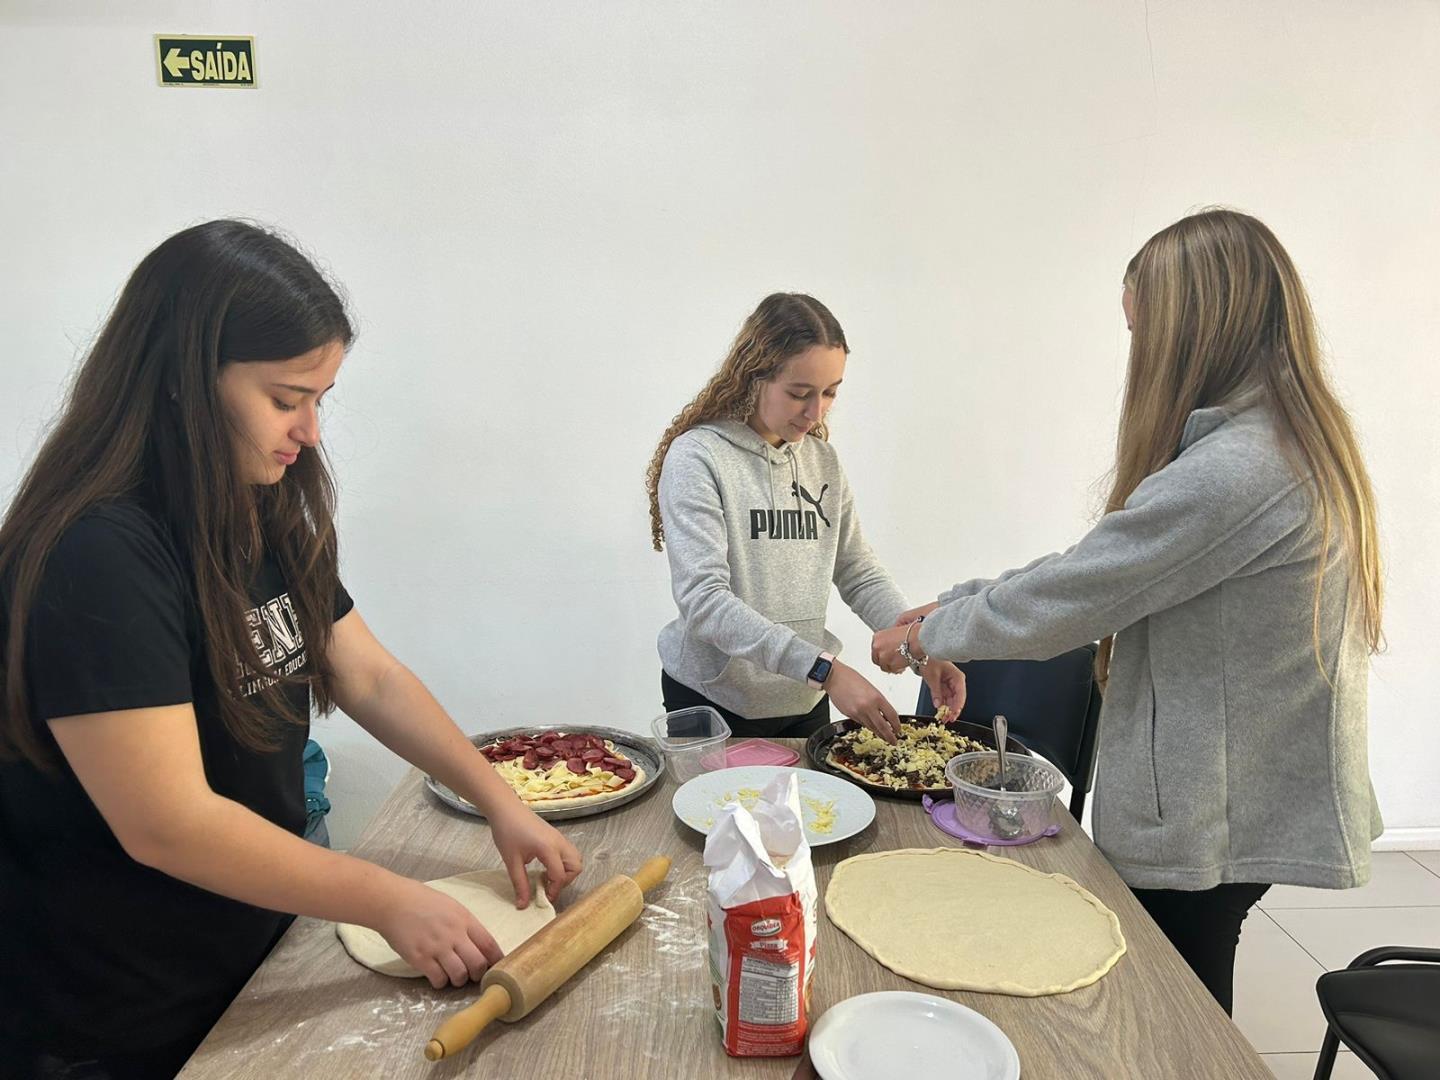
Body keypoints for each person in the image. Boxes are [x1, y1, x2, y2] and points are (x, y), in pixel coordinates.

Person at [0, 220, 583, 1079]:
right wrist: (383, 896)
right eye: (285, 399)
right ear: (181, 380)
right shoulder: (99, 553)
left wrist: (500, 800)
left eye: (321, 399)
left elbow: (368, 675)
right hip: (116, 1019)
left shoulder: (254, 503)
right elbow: (167, 823)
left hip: (244, 963)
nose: (309, 430)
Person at [873, 208, 1383, 1014]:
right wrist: (958, 602)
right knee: (1185, 987)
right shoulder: (1268, 443)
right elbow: (1106, 563)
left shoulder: (1242, 466)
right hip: (1230, 794)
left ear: (1191, 331)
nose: (1139, 355)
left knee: (1174, 1010)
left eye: (1143, 331)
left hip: (1218, 807)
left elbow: (1076, 597)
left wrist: (922, 638)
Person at [647, 292, 965, 743]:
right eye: (799, 393)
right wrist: (827, 671)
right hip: (714, 699)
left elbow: (857, 570)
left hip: (803, 697)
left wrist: (917, 644)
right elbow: (704, 601)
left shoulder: (822, 461)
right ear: (754, 374)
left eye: (830, 392)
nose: (815, 412)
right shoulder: (698, 457)